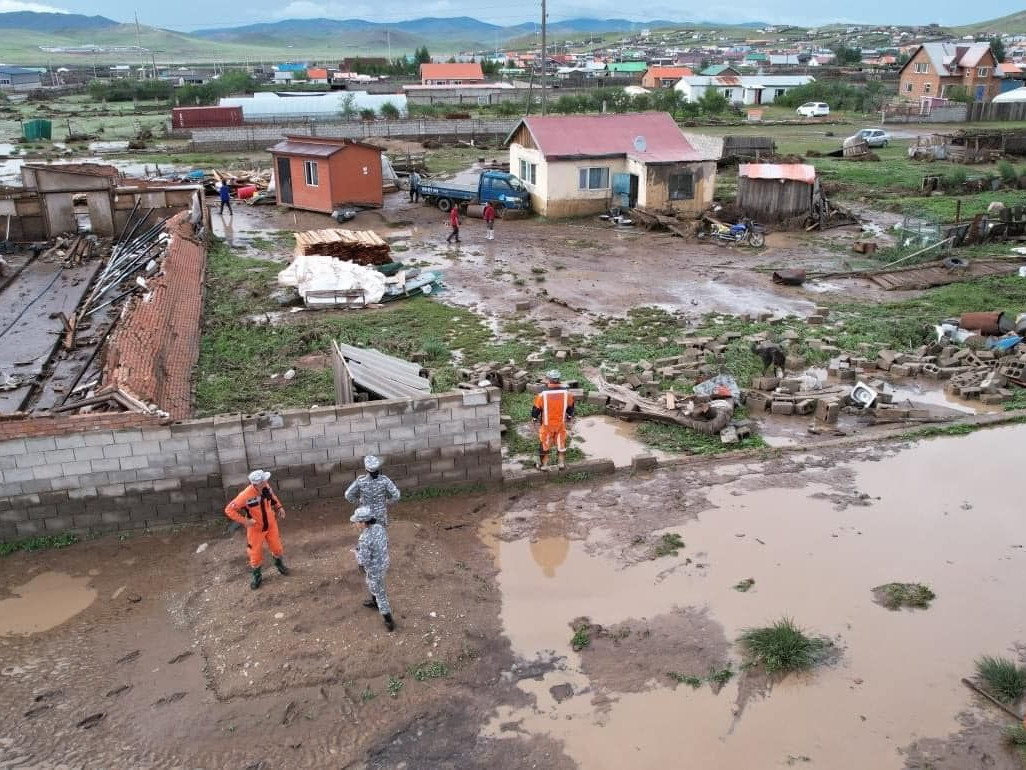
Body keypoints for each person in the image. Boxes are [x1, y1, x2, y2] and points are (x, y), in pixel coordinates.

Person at [224, 470, 290, 589]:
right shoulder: (245, 495)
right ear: (256, 484)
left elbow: (272, 497)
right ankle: (257, 576)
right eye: (263, 480)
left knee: (277, 548)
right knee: (254, 553)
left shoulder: (266, 487)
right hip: (256, 529)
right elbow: (229, 510)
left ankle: (280, 565)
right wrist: (245, 521)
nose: (266, 482)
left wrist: (279, 507)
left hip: (271, 525)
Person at [352, 506, 395, 632]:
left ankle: (388, 620)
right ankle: (374, 601)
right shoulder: (379, 527)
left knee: (380, 593)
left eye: (356, 522)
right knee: (372, 583)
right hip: (384, 563)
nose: (355, 524)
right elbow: (386, 542)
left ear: (363, 523)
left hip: (374, 569)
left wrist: (356, 553)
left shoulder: (364, 539)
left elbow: (363, 560)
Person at [532, 369, 575, 471]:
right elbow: (570, 408)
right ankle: (561, 464)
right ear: (559, 379)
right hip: (560, 424)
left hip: (547, 425)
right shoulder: (567, 394)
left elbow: (536, 409)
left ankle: (544, 466)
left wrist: (534, 418)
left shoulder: (542, 395)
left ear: (549, 380)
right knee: (561, 443)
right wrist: (569, 416)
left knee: (544, 444)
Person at [344, 455, 401, 527]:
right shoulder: (385, 480)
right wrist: (388, 501)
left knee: (366, 534)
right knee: (381, 533)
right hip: (380, 514)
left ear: (366, 469)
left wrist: (358, 502)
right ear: (377, 468)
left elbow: (348, 494)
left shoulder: (361, 481)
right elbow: (396, 495)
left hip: (365, 514)